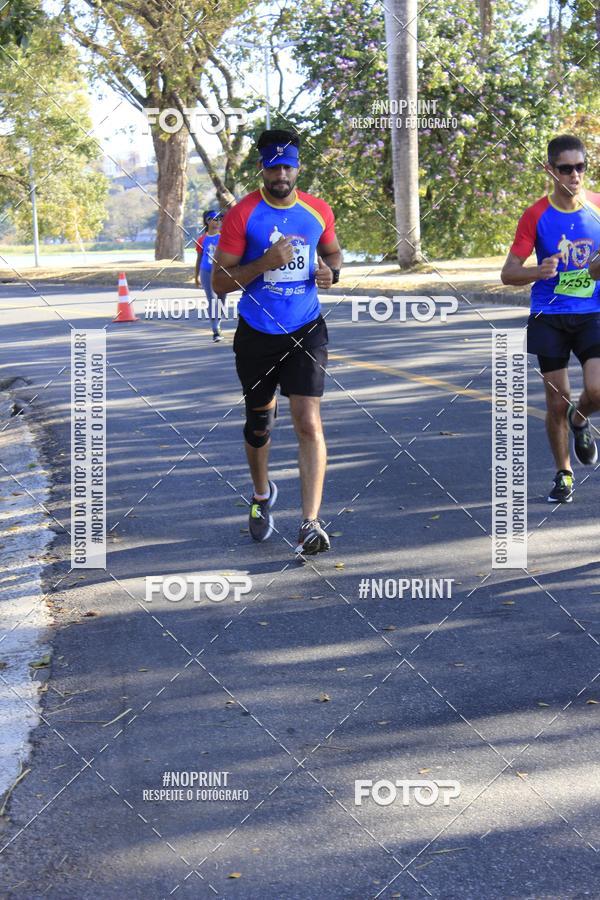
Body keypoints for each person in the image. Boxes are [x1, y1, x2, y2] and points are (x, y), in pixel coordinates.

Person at [212, 129, 342, 555]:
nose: (280, 175)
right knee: (259, 425)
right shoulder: (243, 215)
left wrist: (331, 273)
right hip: (257, 333)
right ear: (262, 168)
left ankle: (310, 523)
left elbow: (333, 254)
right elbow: (219, 284)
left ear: (298, 168)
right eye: (273, 167)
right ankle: (261, 493)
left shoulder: (317, 211)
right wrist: (265, 262)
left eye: (287, 167)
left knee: (309, 422)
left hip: (306, 328)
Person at [501, 134, 600, 503]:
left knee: (597, 391)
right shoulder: (535, 215)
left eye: (580, 167)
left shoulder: (598, 207)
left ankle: (580, 418)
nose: (574, 175)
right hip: (550, 315)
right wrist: (537, 271)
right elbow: (508, 273)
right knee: (557, 402)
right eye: (566, 168)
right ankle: (564, 473)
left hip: (592, 312)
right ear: (550, 170)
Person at [195, 210, 226, 342]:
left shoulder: (224, 237)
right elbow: (198, 259)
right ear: (207, 221)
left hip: (222, 272)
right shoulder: (202, 239)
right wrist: (196, 276)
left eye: (220, 218)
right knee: (212, 300)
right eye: (215, 219)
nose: (218, 221)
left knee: (221, 301)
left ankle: (217, 323)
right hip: (206, 272)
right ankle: (215, 330)